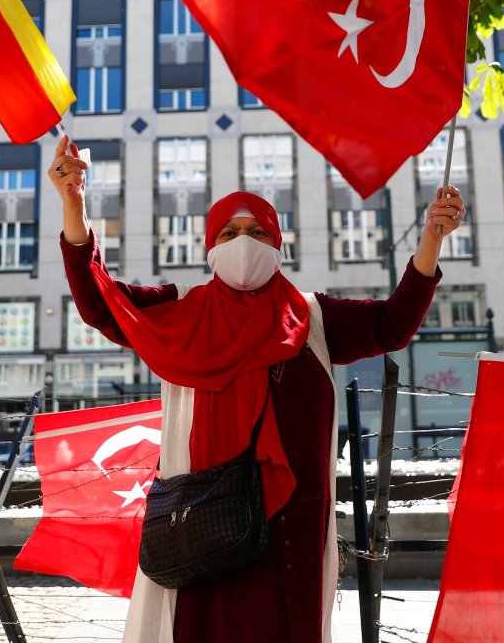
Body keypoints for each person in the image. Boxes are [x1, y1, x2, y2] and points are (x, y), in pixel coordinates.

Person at [49, 135, 465, 642]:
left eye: (256, 232)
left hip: (292, 529)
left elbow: (391, 325)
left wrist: (432, 240)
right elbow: (99, 299)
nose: (243, 242)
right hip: (204, 522)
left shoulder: (312, 315)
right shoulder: (178, 308)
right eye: (229, 232)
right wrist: (75, 203)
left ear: (277, 245)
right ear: (210, 246)